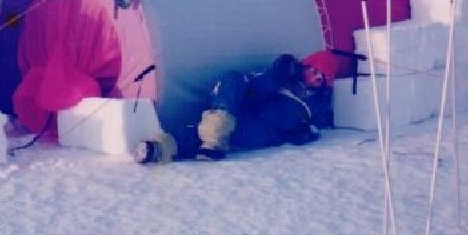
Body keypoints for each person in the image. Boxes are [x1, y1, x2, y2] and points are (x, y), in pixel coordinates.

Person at [136, 51, 335, 164]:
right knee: (232, 78)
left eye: (320, 80)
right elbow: (254, 89)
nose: (314, 79)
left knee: (209, 131)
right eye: (314, 72)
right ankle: (211, 143)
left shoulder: (316, 103)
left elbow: (318, 125)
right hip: (241, 108)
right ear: (305, 65)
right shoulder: (284, 76)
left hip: (261, 129)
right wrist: (275, 76)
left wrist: (306, 132)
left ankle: (160, 148)